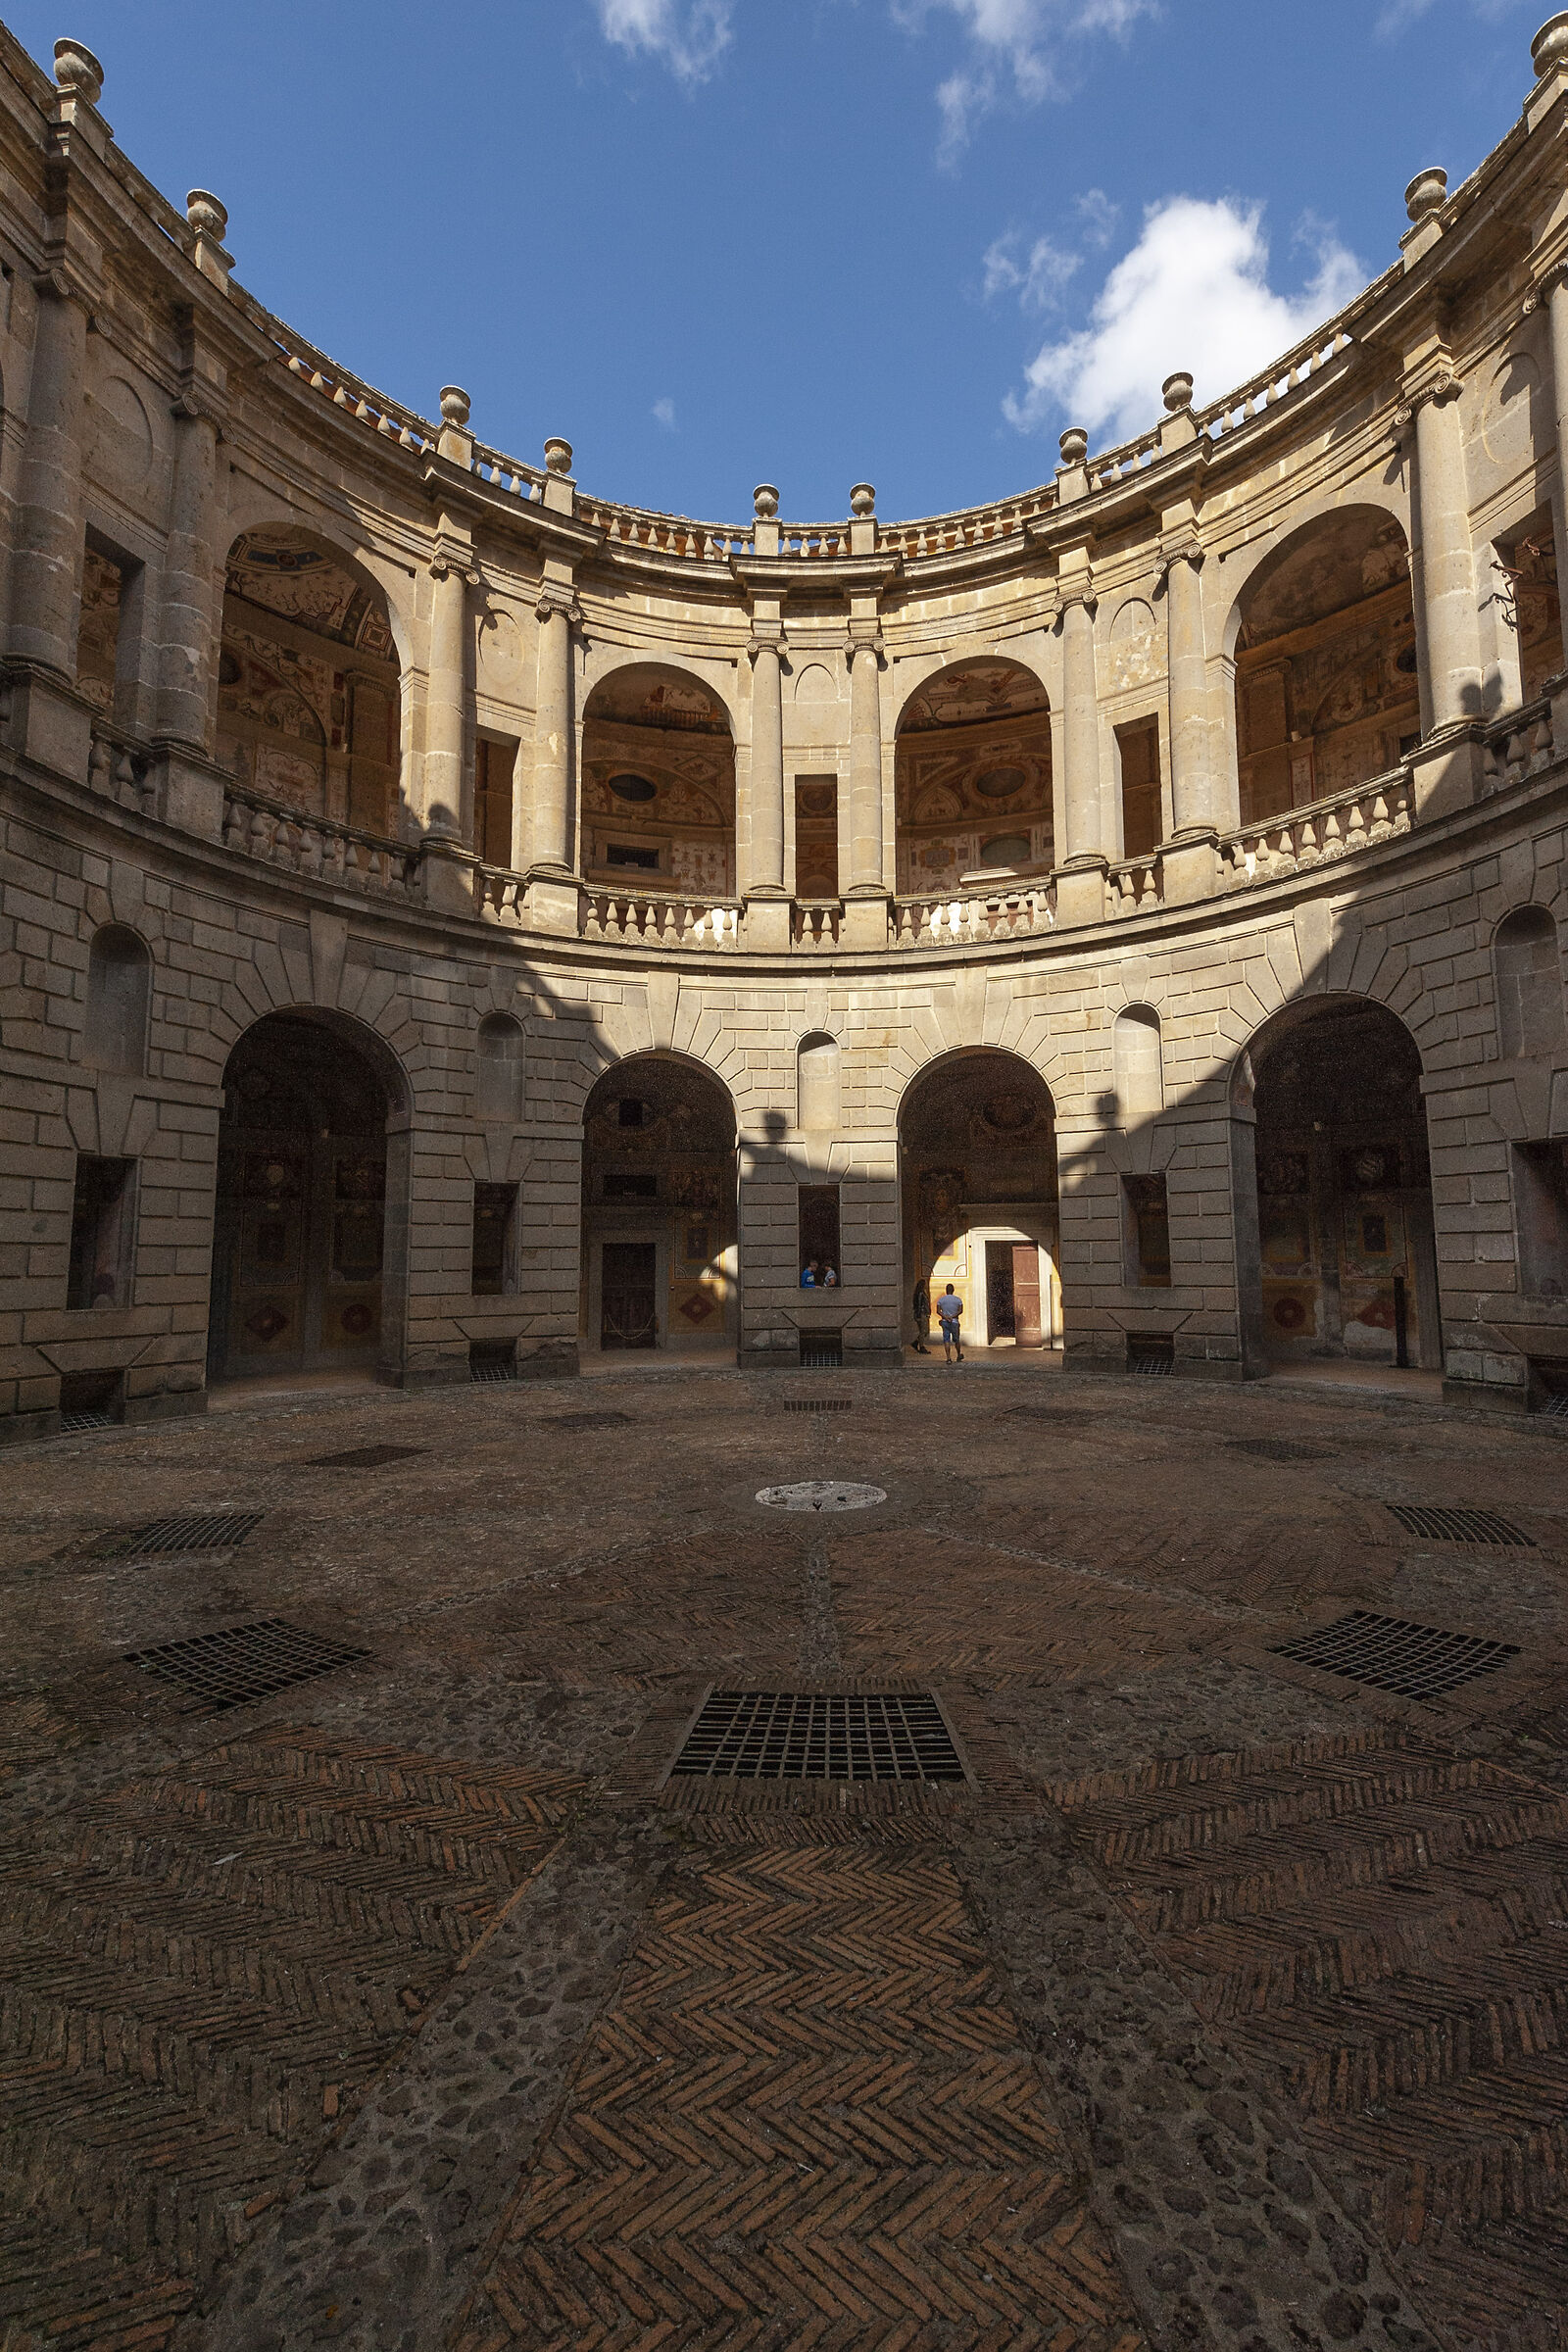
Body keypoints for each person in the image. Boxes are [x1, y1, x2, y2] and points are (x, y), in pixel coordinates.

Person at [937, 1281, 963, 1363]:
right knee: (957, 1340)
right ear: (953, 1290)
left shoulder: (941, 1300)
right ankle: (958, 1355)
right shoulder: (958, 1300)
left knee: (946, 1340)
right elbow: (960, 1311)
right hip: (954, 1321)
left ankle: (948, 1358)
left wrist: (946, 1317)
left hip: (945, 1321)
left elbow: (938, 1311)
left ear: (946, 1290)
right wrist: (952, 1317)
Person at [911, 1275, 931, 1352]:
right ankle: (921, 1346)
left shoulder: (920, 1293)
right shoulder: (921, 1294)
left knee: (923, 1331)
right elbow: (920, 1304)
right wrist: (919, 1314)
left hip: (921, 1313)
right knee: (924, 1331)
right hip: (922, 1313)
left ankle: (916, 1342)